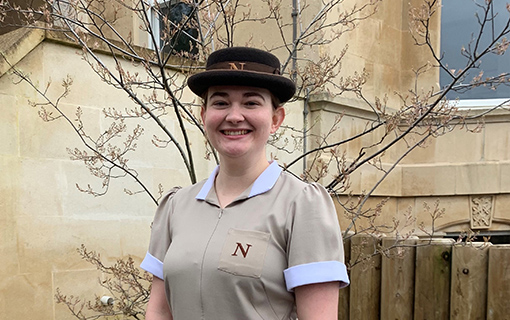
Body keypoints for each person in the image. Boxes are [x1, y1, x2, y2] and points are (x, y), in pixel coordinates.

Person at [140, 47, 350, 320]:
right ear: (204, 116)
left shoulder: (302, 206)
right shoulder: (176, 206)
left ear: (276, 119)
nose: (234, 116)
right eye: (221, 102)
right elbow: (158, 311)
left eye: (251, 103)